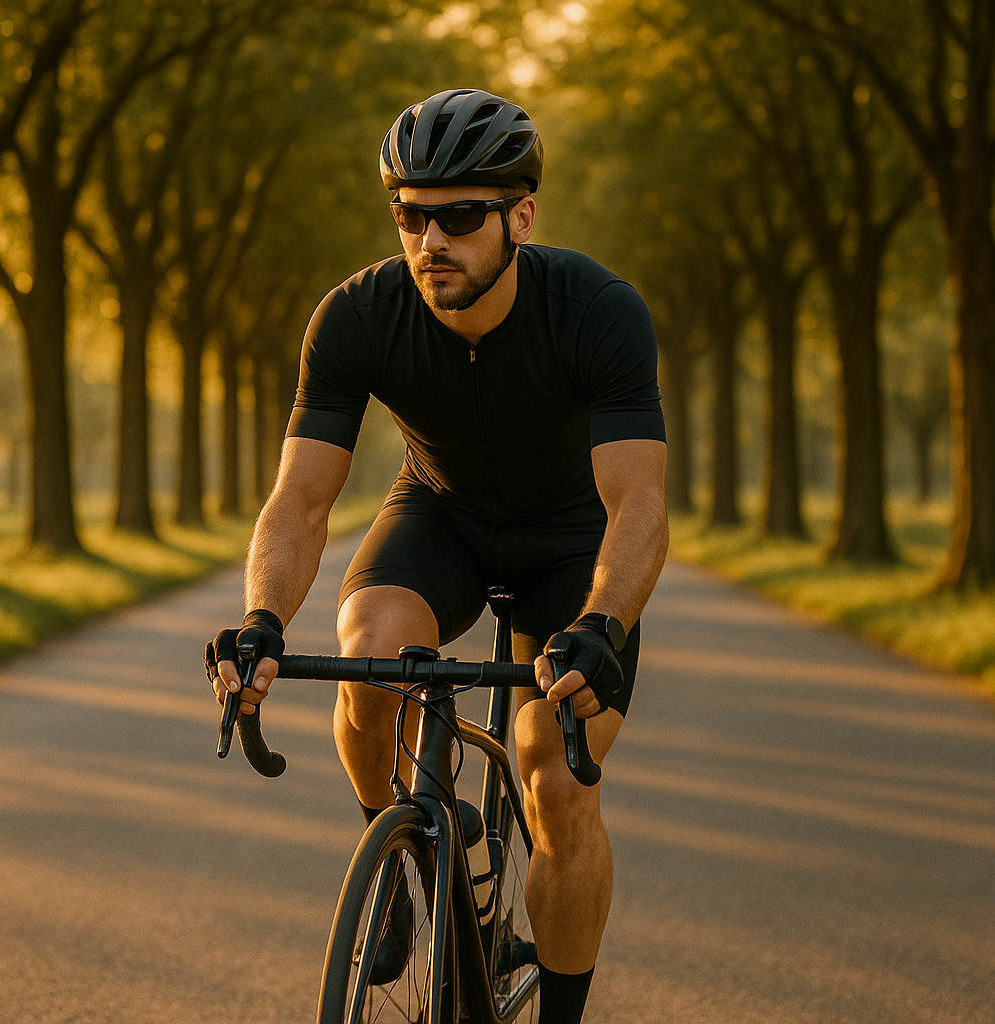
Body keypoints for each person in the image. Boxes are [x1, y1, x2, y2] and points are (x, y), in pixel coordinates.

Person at [207, 87, 667, 1024]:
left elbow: (639, 505)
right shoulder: (357, 315)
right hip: (440, 514)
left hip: (569, 543)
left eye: (459, 217)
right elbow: (299, 501)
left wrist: (603, 624)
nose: (430, 240)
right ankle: (396, 846)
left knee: (554, 776)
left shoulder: (598, 309)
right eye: (410, 215)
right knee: (369, 653)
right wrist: (261, 620)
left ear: (520, 217)